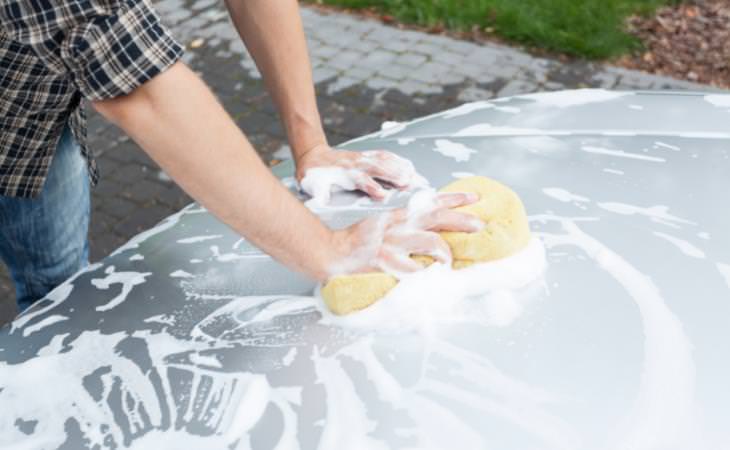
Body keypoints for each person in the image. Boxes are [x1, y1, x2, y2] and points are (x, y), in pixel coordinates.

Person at [0, 0, 483, 313]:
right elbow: (136, 86)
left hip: (29, 101)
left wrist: (310, 144)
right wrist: (327, 250)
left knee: (57, 285)